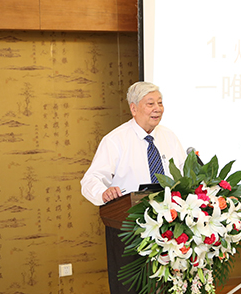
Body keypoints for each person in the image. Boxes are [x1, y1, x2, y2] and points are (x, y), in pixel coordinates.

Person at [80, 81, 186, 294]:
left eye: (160, 103)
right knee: (130, 288)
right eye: (150, 103)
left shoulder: (169, 137)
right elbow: (90, 180)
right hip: (128, 228)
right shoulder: (115, 140)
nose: (157, 108)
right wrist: (104, 192)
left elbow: (184, 175)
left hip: (167, 227)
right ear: (134, 108)